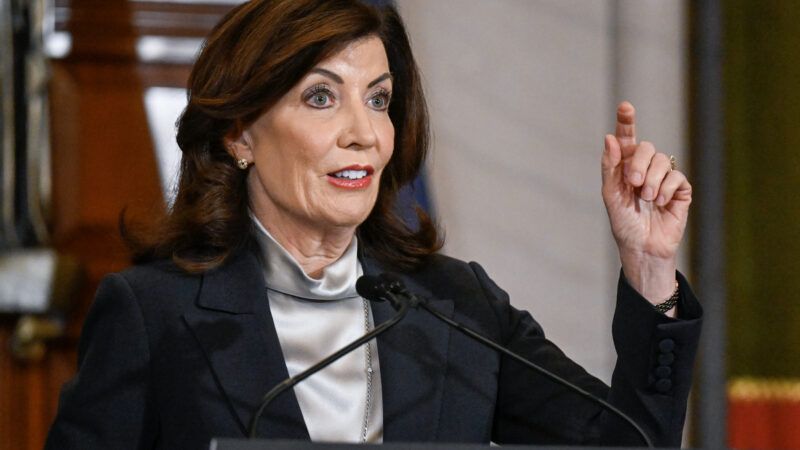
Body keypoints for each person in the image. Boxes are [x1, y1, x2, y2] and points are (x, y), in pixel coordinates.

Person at [45, 0, 702, 448]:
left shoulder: (457, 306)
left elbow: (630, 443)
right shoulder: (152, 315)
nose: (363, 134)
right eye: (320, 96)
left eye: (380, 99)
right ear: (241, 132)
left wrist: (648, 268)